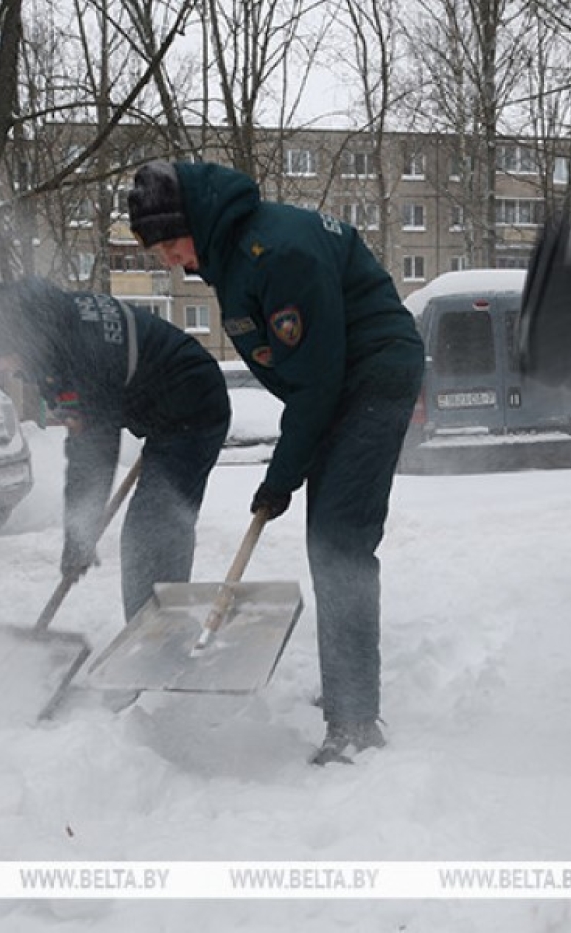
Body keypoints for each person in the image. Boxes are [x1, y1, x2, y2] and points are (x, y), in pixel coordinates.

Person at [126, 159, 425, 765]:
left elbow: (316, 381)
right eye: (158, 252)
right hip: (341, 383)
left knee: (339, 541)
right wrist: (291, 465)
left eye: (169, 244)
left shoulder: (275, 253)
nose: (170, 260)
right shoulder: (234, 253)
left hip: (371, 378)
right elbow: (306, 376)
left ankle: (354, 721)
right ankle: (346, 688)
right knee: (329, 537)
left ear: (194, 221)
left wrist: (281, 477)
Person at [0, 277, 231, 625]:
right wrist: (79, 534)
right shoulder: (48, 325)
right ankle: (150, 629)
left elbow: (93, 449)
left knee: (153, 528)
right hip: (159, 408)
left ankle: (157, 637)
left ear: (4, 337)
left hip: (193, 406)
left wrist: (79, 535)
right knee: (150, 527)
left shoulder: (73, 351)